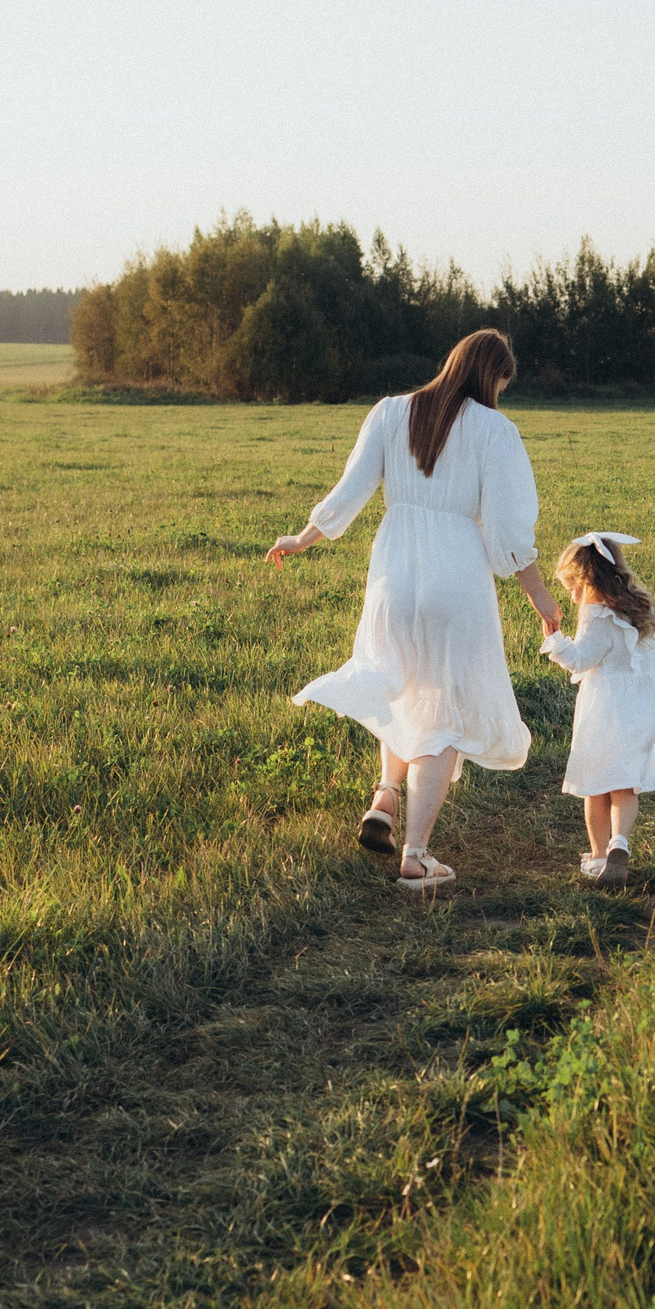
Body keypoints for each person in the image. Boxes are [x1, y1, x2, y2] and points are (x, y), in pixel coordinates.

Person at [266, 330, 563, 890]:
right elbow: (506, 530)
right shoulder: (495, 431)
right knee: (444, 708)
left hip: (394, 573)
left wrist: (302, 538)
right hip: (457, 577)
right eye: (503, 381)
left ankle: (385, 798)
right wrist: (539, 596)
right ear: (492, 376)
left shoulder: (389, 411)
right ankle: (417, 855)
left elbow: (349, 490)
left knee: (402, 686)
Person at [539, 531, 655, 886]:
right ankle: (620, 843)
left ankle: (599, 857)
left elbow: (582, 660)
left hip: (605, 708)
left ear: (587, 581)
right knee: (625, 786)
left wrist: (554, 639)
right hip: (639, 707)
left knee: (595, 784)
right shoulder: (637, 608)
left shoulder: (595, 615)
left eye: (573, 588)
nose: (572, 597)